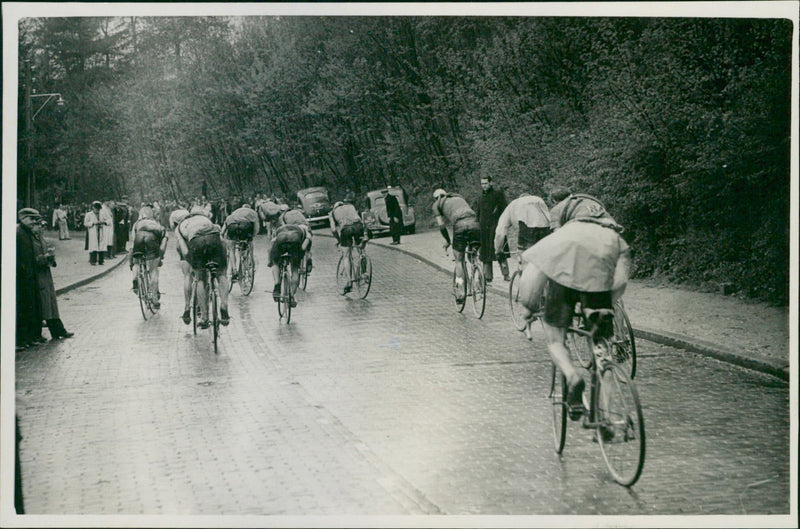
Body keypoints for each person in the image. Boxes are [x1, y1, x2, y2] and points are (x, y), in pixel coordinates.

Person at [517, 192, 630, 417]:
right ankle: (606, 416)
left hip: (563, 283)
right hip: (599, 286)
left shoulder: (562, 235)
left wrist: (528, 307)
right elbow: (620, 280)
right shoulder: (615, 238)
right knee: (601, 347)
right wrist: (606, 302)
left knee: (555, 339)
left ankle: (572, 376)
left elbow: (534, 273)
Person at [16, 208, 74, 348]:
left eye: (39, 224)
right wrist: (43, 259)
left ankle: (53, 331)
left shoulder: (38, 237)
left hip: (44, 275)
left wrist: (51, 259)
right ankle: (38, 334)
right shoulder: (23, 234)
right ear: (23, 219)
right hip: (35, 276)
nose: (37, 226)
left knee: (50, 303)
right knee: (41, 306)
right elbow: (28, 257)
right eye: (34, 222)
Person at [174, 207, 231, 328]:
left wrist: (192, 263)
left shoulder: (180, 227)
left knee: (200, 279)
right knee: (221, 274)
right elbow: (223, 241)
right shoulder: (206, 220)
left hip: (196, 241)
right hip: (213, 238)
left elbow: (184, 250)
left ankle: (204, 317)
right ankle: (224, 305)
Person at [432, 188, 481, 303]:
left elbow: (442, 225)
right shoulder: (459, 197)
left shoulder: (436, 204)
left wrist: (448, 241)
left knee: (459, 260)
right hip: (475, 223)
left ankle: (460, 292)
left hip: (460, 225)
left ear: (436, 198)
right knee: (474, 254)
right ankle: (479, 282)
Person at [494, 192, 552, 268]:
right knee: (545, 260)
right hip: (544, 230)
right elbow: (549, 218)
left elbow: (500, 232)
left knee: (525, 261)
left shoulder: (514, 204)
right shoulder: (539, 200)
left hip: (526, 231)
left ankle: (526, 274)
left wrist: (498, 250)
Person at [130, 206, 168, 309]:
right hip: (151, 240)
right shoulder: (156, 223)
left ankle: (135, 278)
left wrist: (132, 258)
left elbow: (132, 241)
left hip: (138, 238)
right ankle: (154, 298)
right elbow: (163, 240)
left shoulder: (136, 224)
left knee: (136, 263)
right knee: (153, 271)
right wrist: (160, 256)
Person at [329, 192, 367, 293]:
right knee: (361, 250)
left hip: (346, 229)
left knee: (346, 255)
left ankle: (349, 281)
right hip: (358, 226)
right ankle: (364, 272)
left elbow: (333, 229)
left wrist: (339, 240)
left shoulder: (333, 213)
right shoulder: (351, 206)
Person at [268, 220, 312, 307]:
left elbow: (272, 242)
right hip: (294, 241)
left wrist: (270, 260)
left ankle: (277, 285)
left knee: (275, 264)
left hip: (281, 239)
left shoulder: (281, 228)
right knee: (295, 270)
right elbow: (303, 248)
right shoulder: (306, 232)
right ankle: (291, 296)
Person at [475, 176, 509, 282]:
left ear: (491, 183)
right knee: (485, 253)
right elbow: (478, 213)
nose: (484, 186)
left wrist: (501, 223)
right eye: (482, 184)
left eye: (486, 183)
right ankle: (487, 276)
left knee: (500, 251)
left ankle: (506, 274)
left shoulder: (498, 194)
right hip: (484, 228)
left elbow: (505, 210)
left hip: (496, 227)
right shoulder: (480, 197)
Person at [221, 203, 259, 281]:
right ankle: (247, 259)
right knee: (247, 242)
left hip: (232, 225)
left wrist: (223, 236)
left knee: (231, 249)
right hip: (244, 226)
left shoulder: (235, 212)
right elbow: (256, 228)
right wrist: (252, 236)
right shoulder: (252, 212)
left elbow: (224, 228)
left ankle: (234, 270)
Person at [84, 201, 108, 265]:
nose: (98, 210)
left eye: (99, 209)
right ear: (93, 208)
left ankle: (101, 261)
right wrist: (92, 223)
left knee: (101, 246)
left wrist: (104, 222)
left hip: (101, 231)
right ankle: (93, 261)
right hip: (93, 231)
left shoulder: (102, 214)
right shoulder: (89, 214)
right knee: (93, 246)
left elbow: (108, 220)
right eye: (96, 209)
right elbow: (85, 223)